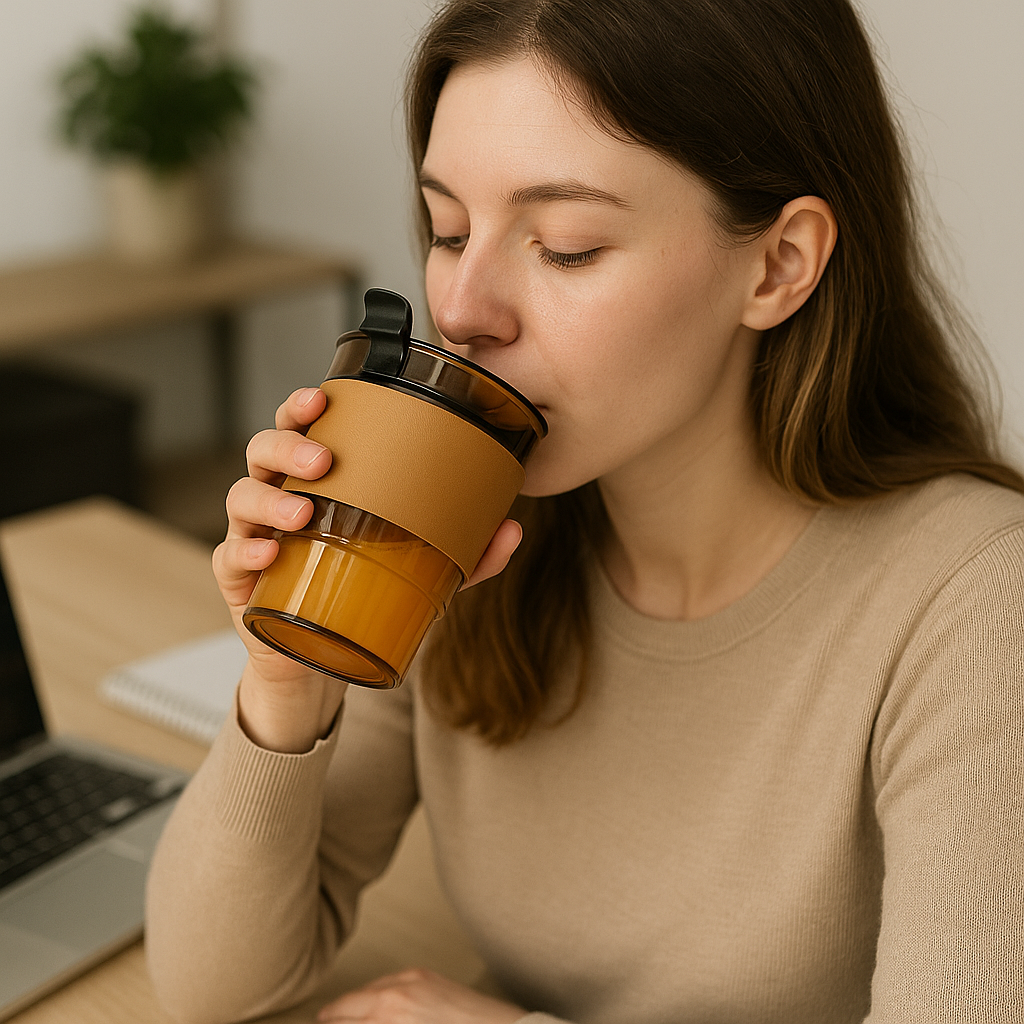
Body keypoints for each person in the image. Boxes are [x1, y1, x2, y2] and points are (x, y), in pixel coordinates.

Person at [146, 0, 1024, 1021]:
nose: (462, 310)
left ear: (779, 263)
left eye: (565, 246)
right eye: (449, 230)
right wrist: (287, 677)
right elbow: (213, 988)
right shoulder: (463, 538)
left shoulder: (976, 604)